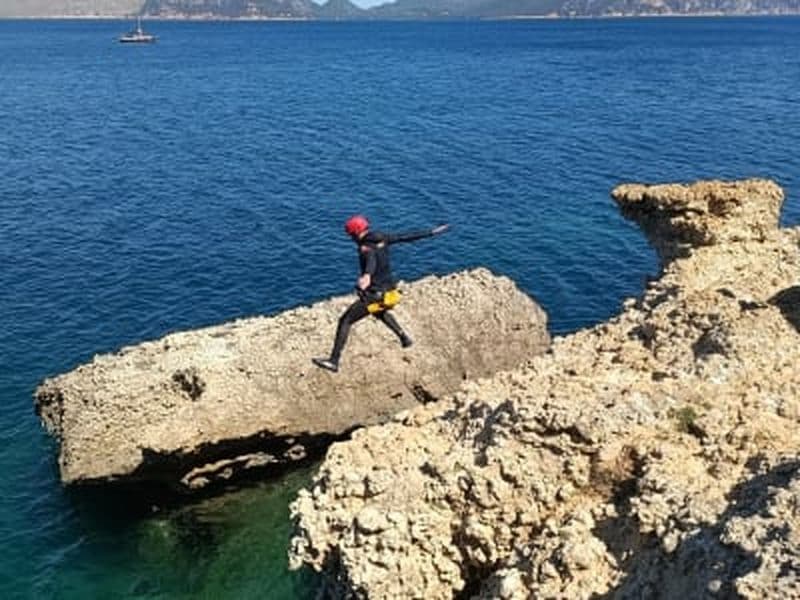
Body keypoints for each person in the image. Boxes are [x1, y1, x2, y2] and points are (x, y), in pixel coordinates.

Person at [312, 215, 450, 373]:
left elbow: (370, 259)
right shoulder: (382, 238)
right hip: (391, 293)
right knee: (378, 311)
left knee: (345, 320)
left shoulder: (365, 247)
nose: (351, 239)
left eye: (350, 235)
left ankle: (333, 361)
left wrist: (367, 276)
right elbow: (404, 237)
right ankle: (404, 337)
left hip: (376, 294)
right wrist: (431, 232)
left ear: (355, 233)